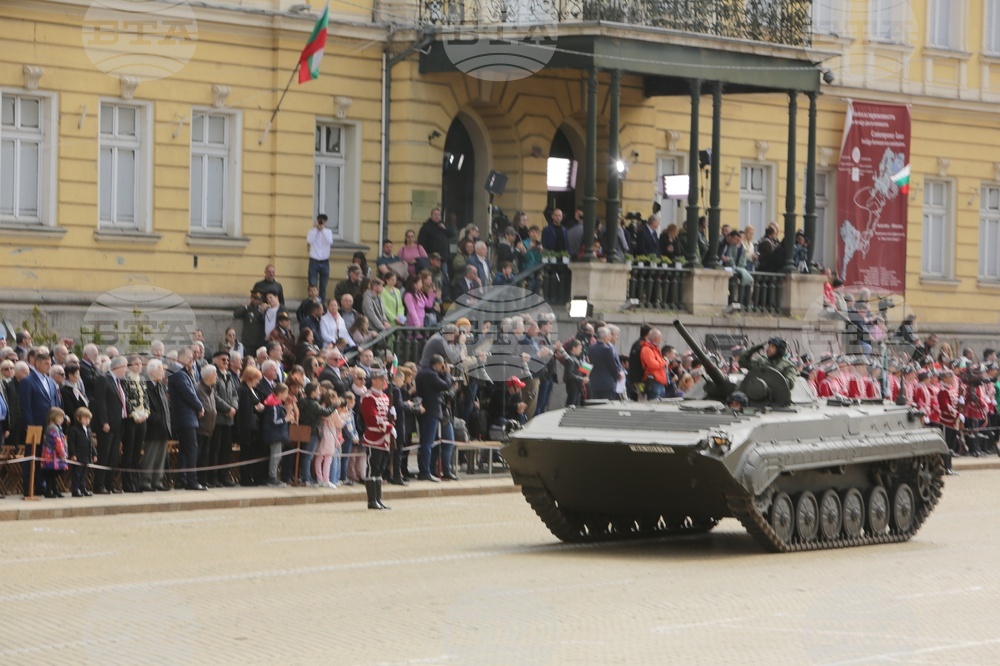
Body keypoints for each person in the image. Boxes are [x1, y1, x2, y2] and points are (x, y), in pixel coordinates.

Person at [169, 348, 206, 491]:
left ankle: (182, 479)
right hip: (184, 417)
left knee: (185, 450)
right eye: (190, 357)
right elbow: (189, 393)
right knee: (191, 448)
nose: (193, 360)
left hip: (187, 417)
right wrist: (199, 407)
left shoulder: (184, 372)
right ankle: (191, 480)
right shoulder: (178, 373)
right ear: (182, 357)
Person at [91, 355, 127, 495]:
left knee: (113, 456)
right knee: (104, 455)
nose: (126, 370)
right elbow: (101, 402)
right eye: (124, 367)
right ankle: (99, 484)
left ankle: (109, 483)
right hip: (107, 425)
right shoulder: (103, 379)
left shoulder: (118, 381)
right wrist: (104, 421)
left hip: (118, 424)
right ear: (117, 367)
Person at [415, 354, 454, 482]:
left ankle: (425, 470)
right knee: (427, 443)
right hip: (431, 411)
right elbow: (446, 385)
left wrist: (442, 374)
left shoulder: (423, 372)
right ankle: (425, 471)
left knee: (426, 442)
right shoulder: (430, 374)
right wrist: (447, 373)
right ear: (437, 364)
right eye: (441, 365)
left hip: (425, 410)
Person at [360, 368, 394, 510]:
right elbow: (371, 417)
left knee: (379, 469)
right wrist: (388, 426)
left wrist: (392, 418)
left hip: (384, 437)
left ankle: (378, 499)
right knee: (372, 467)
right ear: (374, 380)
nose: (384, 382)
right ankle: (371, 500)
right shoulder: (368, 397)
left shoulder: (385, 397)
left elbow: (387, 415)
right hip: (374, 436)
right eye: (382, 379)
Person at [120, 355, 149, 493]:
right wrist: (134, 414)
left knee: (137, 453)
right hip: (131, 420)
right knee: (129, 452)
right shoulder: (125, 379)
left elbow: (146, 399)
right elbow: (125, 399)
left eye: (140, 363)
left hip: (142, 418)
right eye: (136, 363)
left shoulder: (143, 379)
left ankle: (136, 483)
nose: (139, 366)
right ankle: (127, 484)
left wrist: (146, 413)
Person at [142, 359, 171, 491]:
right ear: (152, 372)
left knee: (161, 456)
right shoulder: (146, 386)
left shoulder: (160, 386)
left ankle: (157, 481)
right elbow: (146, 407)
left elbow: (165, 405)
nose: (163, 372)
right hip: (153, 427)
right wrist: (158, 419)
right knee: (151, 455)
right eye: (160, 369)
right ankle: (146, 481)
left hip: (163, 427)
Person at [298, 382, 334, 486]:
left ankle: (306, 477)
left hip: (305, 430)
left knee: (306, 455)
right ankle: (306, 478)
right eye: (317, 390)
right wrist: (334, 405)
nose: (319, 392)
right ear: (313, 392)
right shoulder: (313, 404)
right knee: (309, 456)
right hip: (312, 431)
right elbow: (326, 412)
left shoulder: (303, 401)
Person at [237, 366, 265, 486]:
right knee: (246, 453)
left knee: (253, 453)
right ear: (250, 378)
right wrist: (256, 408)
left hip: (255, 426)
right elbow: (244, 409)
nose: (258, 382)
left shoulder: (254, 390)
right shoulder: (243, 390)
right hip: (246, 427)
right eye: (256, 379)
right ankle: (245, 478)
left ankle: (254, 476)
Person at [261, 382, 290, 487]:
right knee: (275, 456)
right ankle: (272, 478)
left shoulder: (277, 404)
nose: (287, 395)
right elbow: (274, 421)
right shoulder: (273, 405)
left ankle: (273, 477)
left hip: (278, 434)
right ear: (280, 393)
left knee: (277, 456)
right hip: (274, 434)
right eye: (286, 393)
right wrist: (286, 419)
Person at [195, 364, 219, 488]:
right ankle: (196, 480)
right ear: (208, 375)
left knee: (205, 456)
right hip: (199, 428)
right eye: (215, 374)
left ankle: (203, 480)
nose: (217, 376)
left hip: (209, 429)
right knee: (198, 456)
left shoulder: (212, 388)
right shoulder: (198, 388)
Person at [315, 391, 344, 488]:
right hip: (330, 435)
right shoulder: (334, 411)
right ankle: (326, 480)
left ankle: (319, 479)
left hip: (320, 433)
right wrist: (344, 417)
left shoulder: (320, 407)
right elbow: (339, 424)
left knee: (319, 458)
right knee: (328, 458)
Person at [588, 327, 624, 401]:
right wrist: (618, 376)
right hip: (607, 383)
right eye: (609, 336)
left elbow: (588, 364)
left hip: (594, 382)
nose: (610, 337)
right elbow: (612, 366)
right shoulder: (607, 349)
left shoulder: (590, 348)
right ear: (605, 337)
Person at [67, 406, 95, 497]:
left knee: (84, 473)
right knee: (77, 473)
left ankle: (83, 488)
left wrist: (94, 454)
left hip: (86, 455)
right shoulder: (74, 430)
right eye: (85, 418)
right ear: (78, 418)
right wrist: (73, 454)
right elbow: (71, 443)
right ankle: (75, 489)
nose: (87, 420)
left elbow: (91, 443)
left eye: (89, 418)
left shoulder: (88, 430)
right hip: (78, 455)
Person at [39, 406, 68, 498]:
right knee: (50, 474)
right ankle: (48, 491)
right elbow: (57, 442)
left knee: (54, 474)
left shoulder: (58, 427)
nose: (62, 419)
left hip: (55, 455)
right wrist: (63, 454)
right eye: (60, 417)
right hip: (51, 455)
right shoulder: (52, 428)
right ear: (54, 417)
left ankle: (55, 490)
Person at [307, 214, 333, 302]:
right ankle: (311, 303)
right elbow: (309, 240)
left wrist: (322, 230)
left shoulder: (328, 232)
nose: (321, 223)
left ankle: (321, 305)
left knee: (323, 286)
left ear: (325, 223)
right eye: (320, 221)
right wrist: (316, 229)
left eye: (323, 222)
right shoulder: (311, 231)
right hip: (314, 261)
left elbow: (329, 241)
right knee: (312, 284)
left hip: (325, 261)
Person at [563, 338, 588, 407]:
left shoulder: (575, 358)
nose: (580, 350)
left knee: (575, 405)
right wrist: (581, 379)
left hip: (577, 386)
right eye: (579, 348)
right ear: (574, 348)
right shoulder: (570, 359)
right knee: (571, 404)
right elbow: (569, 374)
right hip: (573, 386)